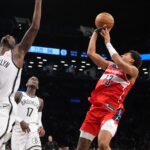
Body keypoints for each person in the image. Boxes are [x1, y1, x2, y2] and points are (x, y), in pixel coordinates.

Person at [76, 27, 142, 150]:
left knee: (102, 144)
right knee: (81, 148)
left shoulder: (133, 71)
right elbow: (91, 53)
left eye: (126, 54)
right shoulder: (110, 65)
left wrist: (107, 42)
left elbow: (120, 62)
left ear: (132, 60)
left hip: (112, 110)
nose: (122, 54)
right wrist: (95, 34)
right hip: (95, 108)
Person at [0, 0, 42, 149]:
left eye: (12, 36)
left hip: (3, 107)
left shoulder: (17, 53)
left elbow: (35, 27)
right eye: (7, 35)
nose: (9, 35)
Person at [11, 76, 45, 150]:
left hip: (33, 129)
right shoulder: (18, 94)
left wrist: (41, 126)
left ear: (38, 86)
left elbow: (38, 118)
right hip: (18, 129)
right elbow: (10, 111)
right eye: (32, 79)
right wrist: (20, 121)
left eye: (36, 80)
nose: (34, 80)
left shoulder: (40, 101)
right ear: (26, 83)